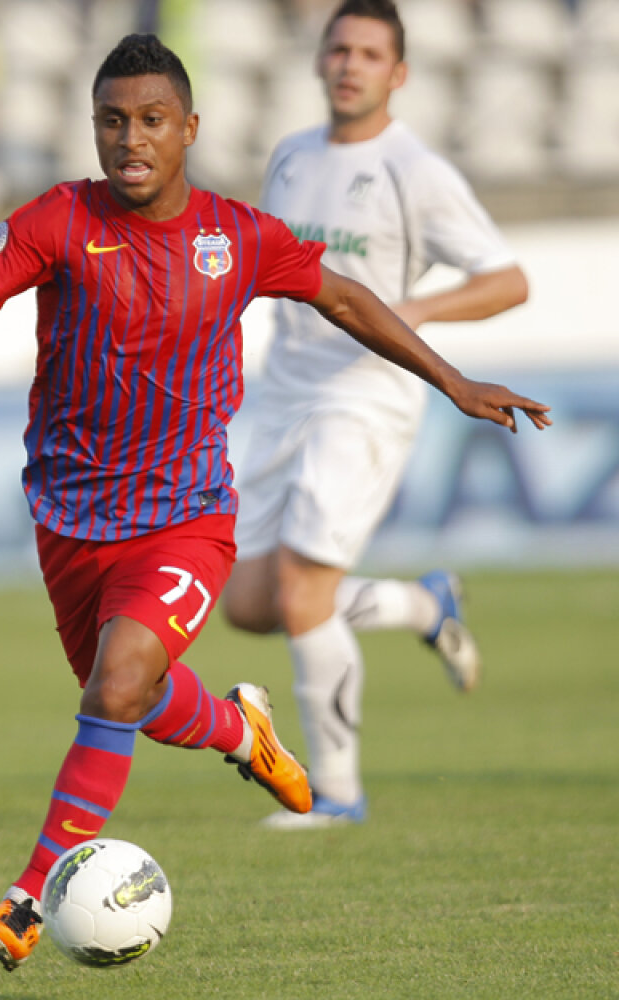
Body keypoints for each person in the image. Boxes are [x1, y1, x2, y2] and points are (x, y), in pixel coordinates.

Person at [0, 32, 547, 972]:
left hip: (187, 518)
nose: (132, 139)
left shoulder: (237, 236)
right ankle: (243, 730)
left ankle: (29, 898)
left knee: (117, 685)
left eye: (152, 120)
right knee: (132, 697)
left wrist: (454, 381)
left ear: (190, 130)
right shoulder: (60, 218)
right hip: (68, 519)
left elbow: (347, 299)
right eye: (113, 121)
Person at [221, 0, 537, 829]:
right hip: (284, 390)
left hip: (366, 393)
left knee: (302, 591)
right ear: (318, 60)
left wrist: (413, 314)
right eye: (339, 49)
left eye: (369, 54)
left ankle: (335, 793)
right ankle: (423, 606)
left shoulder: (415, 170)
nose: (350, 64)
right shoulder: (291, 156)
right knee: (248, 604)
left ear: (398, 74)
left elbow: (508, 280)